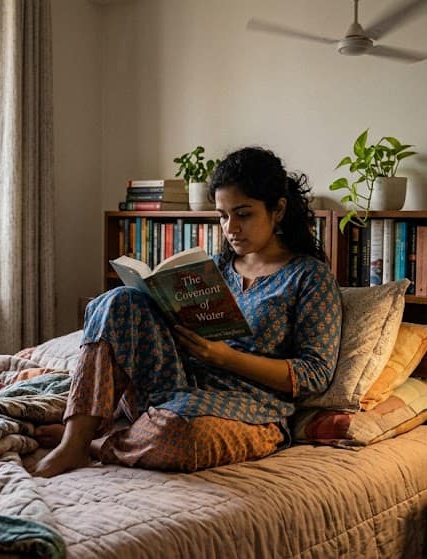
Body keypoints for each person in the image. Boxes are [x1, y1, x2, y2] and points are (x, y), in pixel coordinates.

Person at [32, 146, 342, 477]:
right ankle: (73, 443)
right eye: (223, 216)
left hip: (250, 409)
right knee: (117, 299)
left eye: (244, 214)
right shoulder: (216, 268)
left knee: (183, 432)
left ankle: (100, 443)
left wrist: (227, 358)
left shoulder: (309, 275)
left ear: (278, 210)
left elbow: (315, 374)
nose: (231, 227)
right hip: (176, 383)